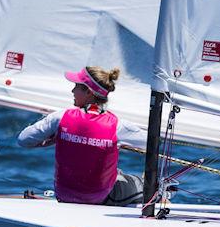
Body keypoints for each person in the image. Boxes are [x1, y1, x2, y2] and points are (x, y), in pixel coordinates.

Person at [17, 66, 146, 206]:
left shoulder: (60, 117)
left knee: (117, 175)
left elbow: (23, 140)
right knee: (144, 185)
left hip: (64, 194)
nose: (72, 91)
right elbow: (152, 143)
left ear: (89, 92)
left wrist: (50, 142)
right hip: (100, 197)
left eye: (76, 86)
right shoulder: (117, 125)